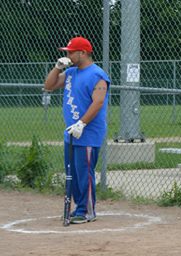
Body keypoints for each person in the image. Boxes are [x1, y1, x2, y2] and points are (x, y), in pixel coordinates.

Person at [43, 36, 111, 224]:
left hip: (88, 133)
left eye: (71, 52)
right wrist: (58, 67)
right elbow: (48, 86)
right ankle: (79, 207)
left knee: (84, 172)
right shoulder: (71, 72)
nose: (68, 55)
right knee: (72, 172)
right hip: (71, 133)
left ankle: (87, 211)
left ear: (83, 53)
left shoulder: (98, 75)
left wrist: (81, 123)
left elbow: (98, 102)